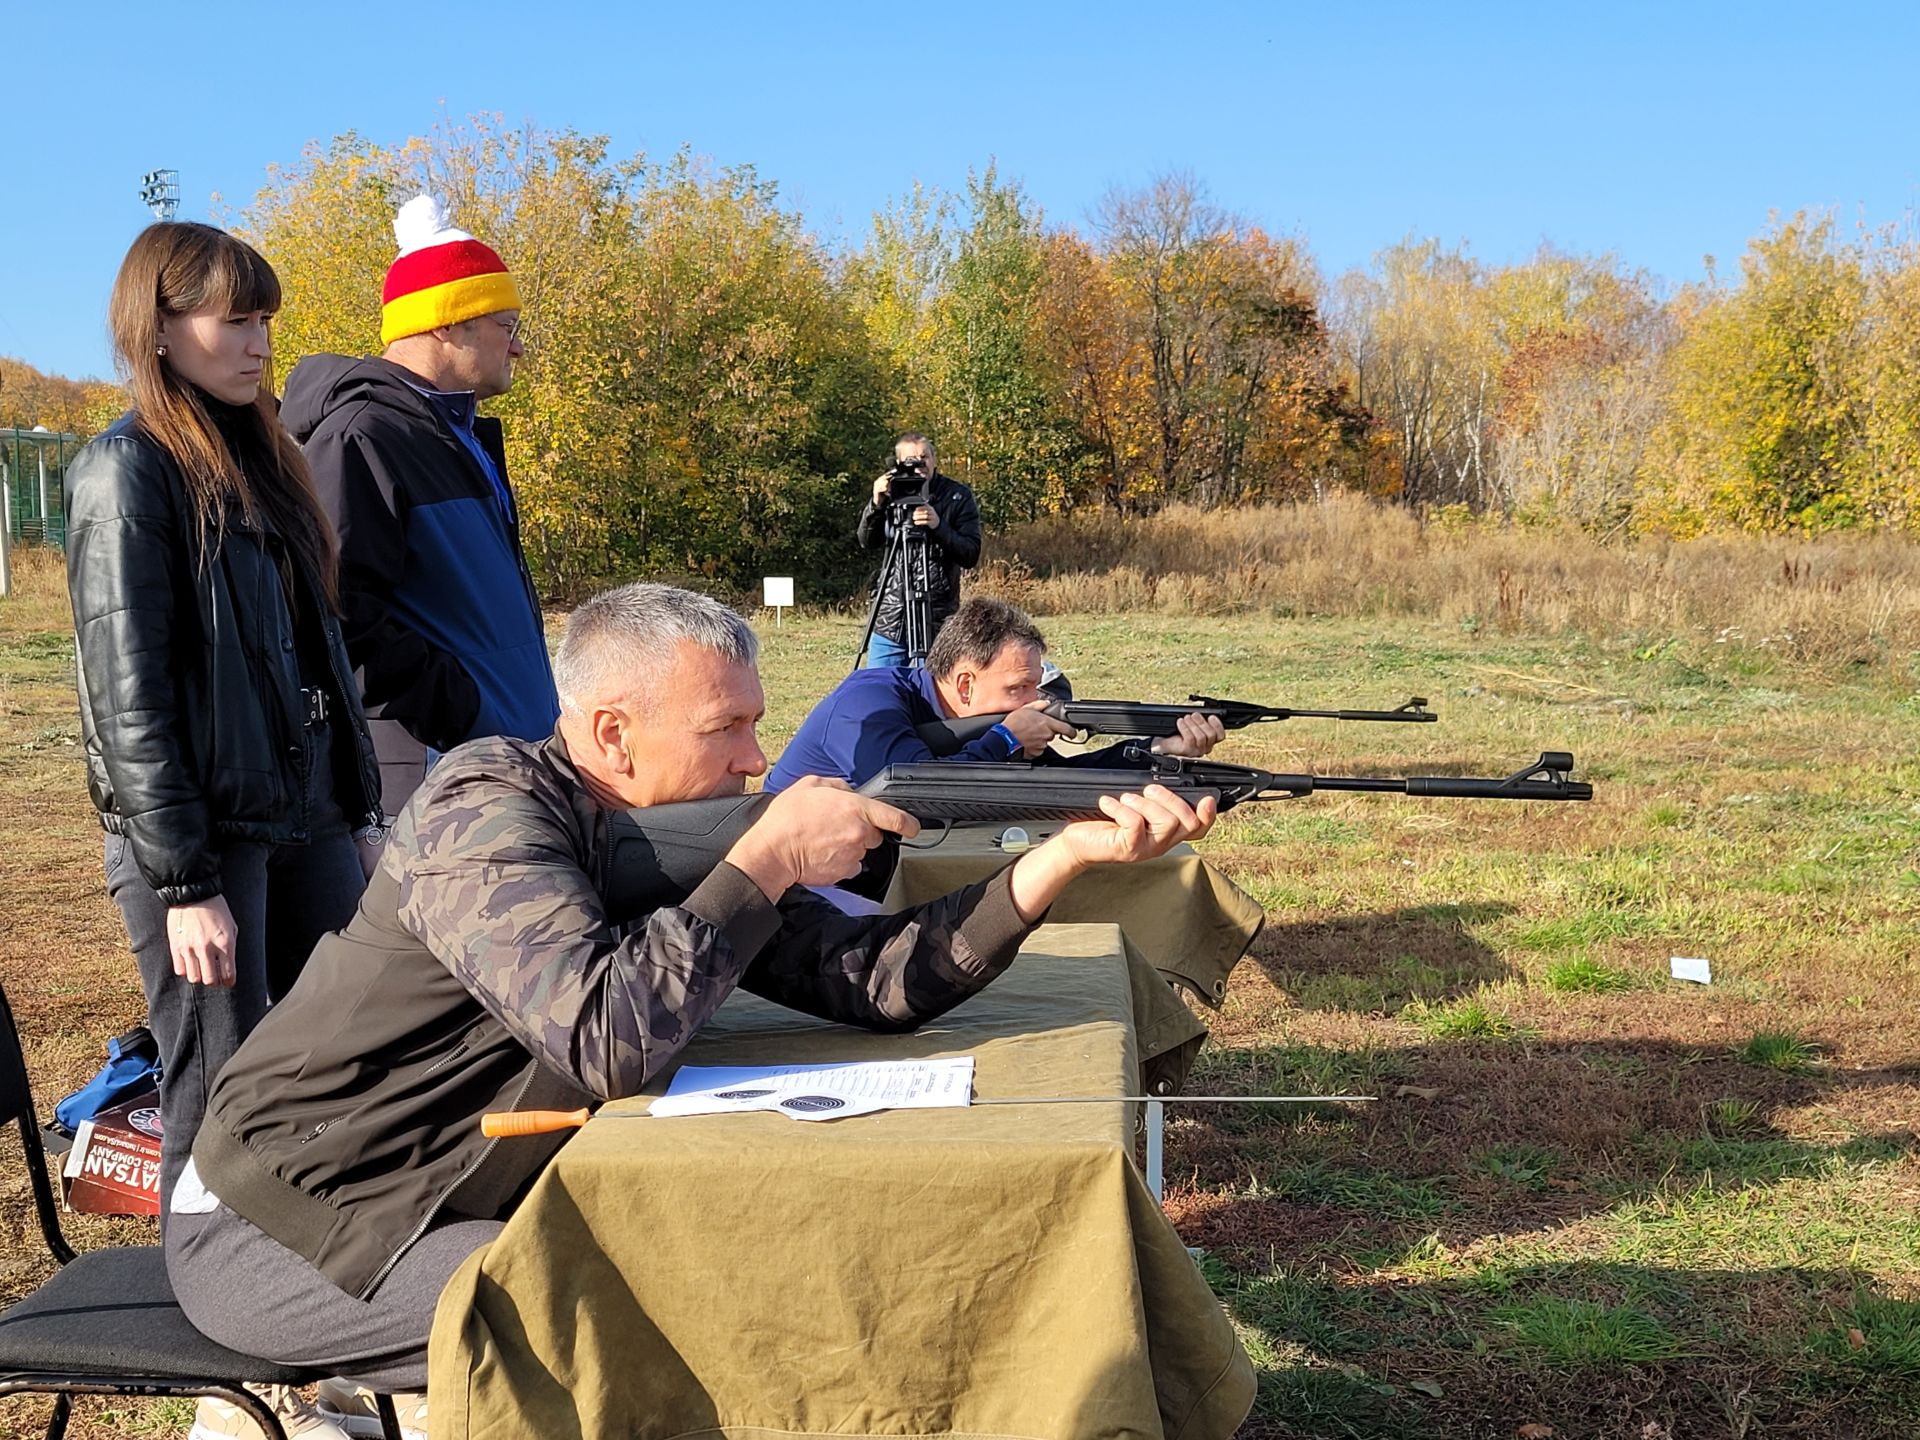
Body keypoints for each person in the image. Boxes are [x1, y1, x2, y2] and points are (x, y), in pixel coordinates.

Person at [163, 583, 1214, 1430]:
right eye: (730, 729)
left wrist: (1065, 856)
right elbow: (605, 1036)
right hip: (290, 1224)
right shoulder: (483, 813)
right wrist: (760, 861)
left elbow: (872, 981)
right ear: (612, 735)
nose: (760, 760)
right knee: (643, 1310)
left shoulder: (671, 829)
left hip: (450, 1190)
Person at [64, 223, 385, 1440]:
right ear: (161, 325)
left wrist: (348, 815)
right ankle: (222, 1387)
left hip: (295, 822)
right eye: (230, 318)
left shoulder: (255, 460)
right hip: (197, 846)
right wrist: (185, 874)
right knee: (217, 1091)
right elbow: (127, 694)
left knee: (317, 1078)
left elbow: (316, 664)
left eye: (263, 319)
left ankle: (304, 1335)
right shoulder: (126, 470)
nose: (256, 341)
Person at [282, 194, 558, 816]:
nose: (517, 349)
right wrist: (464, 711)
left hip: (498, 761)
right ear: (449, 324)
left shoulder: (457, 435)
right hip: (439, 775)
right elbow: (336, 619)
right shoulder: (363, 437)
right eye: (506, 327)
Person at [766, 595, 1227, 794]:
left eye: (1034, 685)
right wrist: (1004, 740)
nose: (1033, 701)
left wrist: (1158, 749)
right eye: (1017, 688)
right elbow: (914, 790)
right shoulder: (866, 702)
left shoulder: (996, 719)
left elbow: (1063, 782)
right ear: (965, 683)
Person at [856, 433, 980, 667]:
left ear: (934, 459)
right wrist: (876, 504)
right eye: (911, 459)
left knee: (930, 692)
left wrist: (938, 526)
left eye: (924, 457)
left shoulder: (957, 496)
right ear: (899, 462)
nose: (919, 464)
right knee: (882, 689)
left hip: (936, 619)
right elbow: (866, 541)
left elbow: (970, 554)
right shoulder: (892, 493)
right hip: (891, 615)